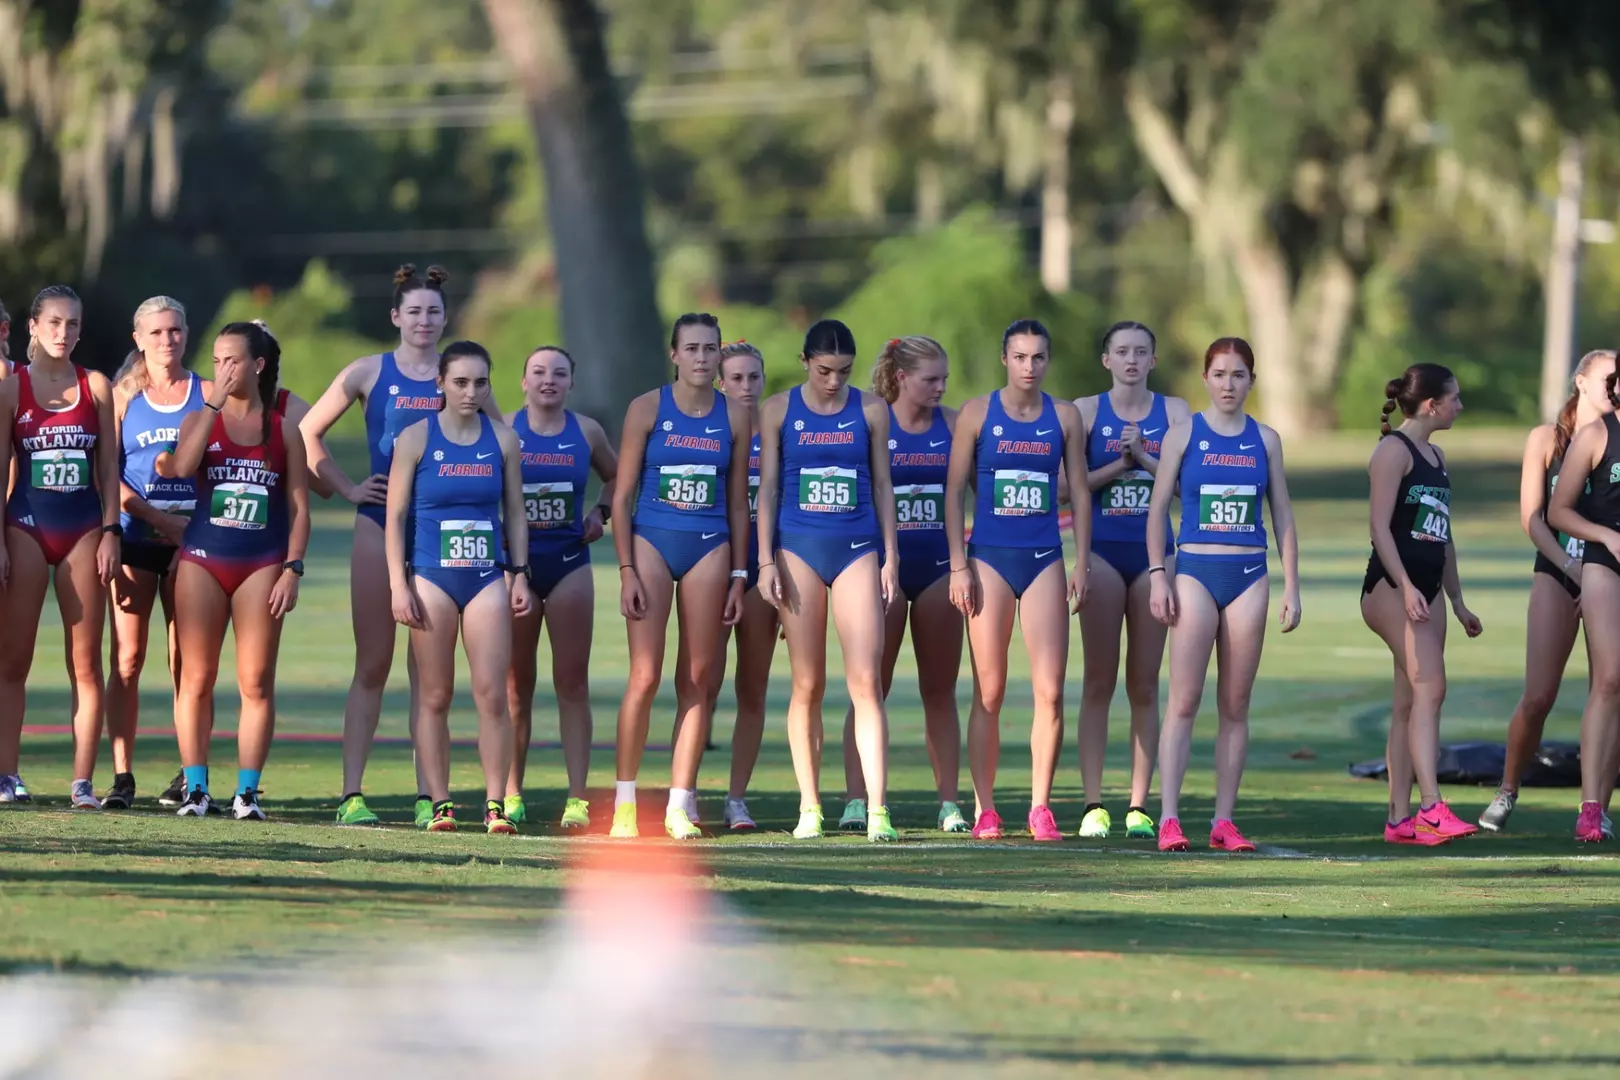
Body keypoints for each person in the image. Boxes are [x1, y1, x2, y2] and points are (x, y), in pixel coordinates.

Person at [301, 264, 500, 827]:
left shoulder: (462, 378)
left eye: (433, 312)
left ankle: (427, 796)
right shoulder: (369, 371)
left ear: (445, 318)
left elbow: (500, 444)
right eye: (413, 311)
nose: (423, 321)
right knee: (373, 663)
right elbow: (306, 431)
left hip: (445, 538)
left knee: (429, 676)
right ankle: (352, 795)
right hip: (376, 525)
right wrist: (345, 486)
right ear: (395, 317)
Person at [1148, 337, 1302, 853]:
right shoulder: (1183, 434)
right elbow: (1156, 512)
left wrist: (1292, 585)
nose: (1228, 384)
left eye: (1238, 375)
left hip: (1249, 576)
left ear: (1251, 381)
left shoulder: (1267, 440)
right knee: (1184, 701)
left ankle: (1223, 821)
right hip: (1193, 571)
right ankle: (1169, 818)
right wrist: (1157, 575)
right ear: (1205, 379)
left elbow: (1281, 513)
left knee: (1235, 705)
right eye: (1219, 374)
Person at [160, 322, 310, 819]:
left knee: (255, 681)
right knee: (196, 678)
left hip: (262, 564)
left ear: (258, 365)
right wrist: (210, 406)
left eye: (233, 360)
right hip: (203, 559)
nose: (222, 369)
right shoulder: (201, 417)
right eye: (217, 360)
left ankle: (247, 793)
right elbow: (182, 468)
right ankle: (197, 789)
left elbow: (299, 507)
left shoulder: (284, 428)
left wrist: (292, 568)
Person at [945, 319, 1088, 841]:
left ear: (1048, 362)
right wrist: (958, 565)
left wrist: (1082, 561)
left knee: (1050, 692)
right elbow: (954, 489)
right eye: (1020, 357)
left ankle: (1040, 807)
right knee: (990, 690)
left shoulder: (1065, 417)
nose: (1030, 367)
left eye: (1039, 358)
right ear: (1005, 359)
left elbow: (1079, 491)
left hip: (1045, 559)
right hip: (988, 563)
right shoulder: (977, 414)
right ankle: (986, 807)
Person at [757, 319, 900, 841]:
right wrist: (765, 560)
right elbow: (768, 488)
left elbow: (883, 484)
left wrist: (891, 558)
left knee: (866, 681)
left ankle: (877, 809)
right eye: (823, 371)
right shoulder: (777, 410)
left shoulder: (871, 411)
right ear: (804, 362)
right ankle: (810, 806)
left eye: (843, 372)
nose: (834, 381)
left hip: (858, 548)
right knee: (808, 683)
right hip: (798, 549)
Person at [611, 313, 749, 839]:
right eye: (691, 348)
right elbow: (622, 498)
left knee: (697, 679)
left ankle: (678, 802)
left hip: (709, 546)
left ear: (719, 357)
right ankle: (625, 801)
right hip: (650, 541)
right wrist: (626, 569)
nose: (700, 357)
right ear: (674, 354)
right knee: (644, 676)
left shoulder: (735, 417)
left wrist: (739, 573)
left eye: (710, 348)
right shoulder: (647, 408)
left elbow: (738, 502)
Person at [386, 341, 530, 835]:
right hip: (430, 578)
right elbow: (396, 515)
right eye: (461, 382)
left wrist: (520, 573)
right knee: (436, 695)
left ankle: (496, 806)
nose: (471, 392)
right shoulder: (416, 438)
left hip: (486, 577)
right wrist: (397, 584)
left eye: (481, 382)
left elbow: (515, 512)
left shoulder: (504, 440)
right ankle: (441, 802)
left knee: (493, 696)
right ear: (441, 384)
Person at [1481, 350, 1616, 833]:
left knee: (1611, 685)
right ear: (1581, 381)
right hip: (1559, 570)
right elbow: (1533, 518)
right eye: (1606, 377)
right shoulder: (1547, 438)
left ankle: (1595, 803)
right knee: (1539, 695)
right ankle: (1508, 788)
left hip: (1607, 571)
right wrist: (1573, 569)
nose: (1612, 385)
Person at [837, 335, 967, 834]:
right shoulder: (872, 420)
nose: (940, 388)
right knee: (870, 687)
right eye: (930, 379)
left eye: (944, 379)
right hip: (878, 570)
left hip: (938, 567)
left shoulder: (954, 425)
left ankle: (950, 803)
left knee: (940, 691)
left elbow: (992, 477)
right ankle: (857, 799)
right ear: (901, 378)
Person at [0, 286, 121, 807]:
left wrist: (112, 530)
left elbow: (109, 468)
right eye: (53, 323)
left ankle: (81, 783)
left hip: (84, 531)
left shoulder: (96, 385)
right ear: (32, 326)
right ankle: (8, 775)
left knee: (86, 663)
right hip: (24, 525)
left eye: (72, 324)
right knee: (13, 661)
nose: (63, 333)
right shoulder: (11, 389)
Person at [1074, 321, 1190, 841]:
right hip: (1099, 552)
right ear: (1106, 360)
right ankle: (1093, 803)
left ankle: (1140, 806)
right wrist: (1118, 466)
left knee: (1144, 685)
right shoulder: (1085, 411)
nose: (1131, 360)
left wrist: (1144, 455)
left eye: (1141, 351)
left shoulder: (1177, 413)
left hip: (1155, 560)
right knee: (1098, 681)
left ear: (1154, 359)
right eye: (1121, 351)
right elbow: (1062, 488)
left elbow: (1193, 486)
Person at [1358, 363, 1482, 846]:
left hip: (1428, 590)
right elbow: (1379, 528)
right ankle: (1432, 808)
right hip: (1391, 588)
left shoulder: (1437, 454)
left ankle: (1398, 819)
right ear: (1431, 405)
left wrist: (1457, 600)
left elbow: (1441, 534)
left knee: (1409, 702)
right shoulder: (1393, 451)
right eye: (1454, 398)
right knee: (1431, 688)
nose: (1460, 406)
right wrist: (1407, 586)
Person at [101, 297, 209, 809]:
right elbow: (108, 477)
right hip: (135, 538)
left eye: (176, 330)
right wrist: (157, 518)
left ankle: (190, 775)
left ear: (186, 334)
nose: (167, 340)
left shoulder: (206, 395)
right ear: (138, 338)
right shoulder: (122, 397)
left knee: (186, 662)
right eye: (157, 332)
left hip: (193, 545)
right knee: (127, 659)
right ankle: (122, 776)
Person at [504, 345, 617, 829]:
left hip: (571, 564)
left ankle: (577, 797)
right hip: (516, 571)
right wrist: (511, 570)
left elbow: (617, 477)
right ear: (523, 382)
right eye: (538, 372)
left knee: (572, 683)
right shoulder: (505, 430)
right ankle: (509, 792)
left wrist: (600, 511)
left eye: (559, 373)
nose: (548, 380)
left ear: (572, 382)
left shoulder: (586, 431)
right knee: (514, 688)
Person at [689, 340, 778, 831]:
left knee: (754, 688)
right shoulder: (708, 429)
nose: (746, 387)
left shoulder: (779, 429)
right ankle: (689, 792)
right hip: (713, 568)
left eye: (754, 378)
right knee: (704, 684)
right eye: (737, 378)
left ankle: (737, 798)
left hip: (762, 576)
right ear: (720, 382)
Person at [1547, 368, 1620, 842]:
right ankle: (1590, 807)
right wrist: (1606, 536)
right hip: (1604, 565)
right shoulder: (1597, 434)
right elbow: (1558, 511)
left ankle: (1605, 803)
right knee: (1611, 678)